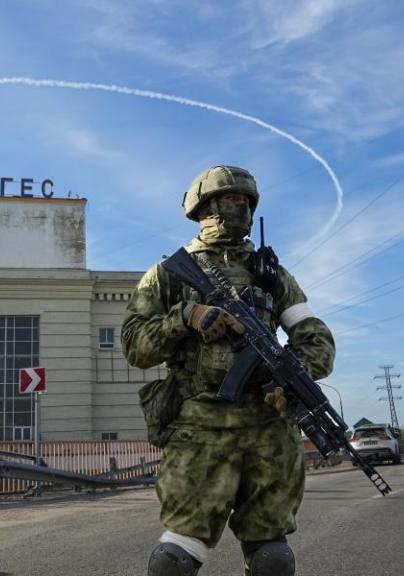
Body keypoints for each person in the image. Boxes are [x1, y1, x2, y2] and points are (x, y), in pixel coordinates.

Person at [122, 166, 335, 576]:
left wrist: (295, 377)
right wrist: (184, 317)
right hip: (201, 427)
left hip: (268, 427)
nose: (240, 207)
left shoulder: (272, 275)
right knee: (175, 559)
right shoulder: (167, 274)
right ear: (206, 207)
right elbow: (134, 346)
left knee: (273, 557)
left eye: (246, 201)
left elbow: (316, 337)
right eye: (230, 199)